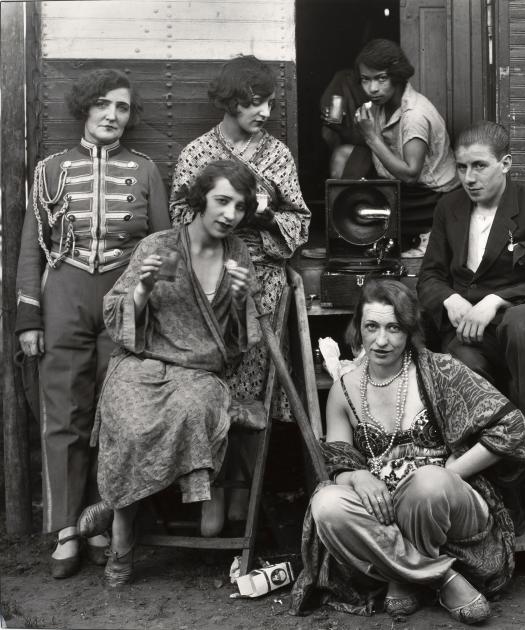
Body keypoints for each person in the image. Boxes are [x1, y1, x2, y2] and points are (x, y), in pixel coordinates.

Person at [290, 279, 525, 623]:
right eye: (371, 327)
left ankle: (399, 573)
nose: (381, 340)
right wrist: (358, 475)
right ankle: (439, 577)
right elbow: (338, 461)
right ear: (357, 328)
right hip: (385, 514)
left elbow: (514, 428)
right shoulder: (344, 389)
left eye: (394, 328)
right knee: (326, 505)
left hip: (447, 504)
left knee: (427, 484)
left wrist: (452, 472)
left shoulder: (440, 370)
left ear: (409, 331)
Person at [15, 68, 171, 578]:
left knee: (116, 414)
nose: (112, 115)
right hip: (64, 294)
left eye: (122, 107)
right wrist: (28, 319)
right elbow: (29, 250)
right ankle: (65, 528)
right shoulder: (49, 169)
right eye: (103, 104)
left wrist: (153, 307)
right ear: (85, 108)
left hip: (124, 297)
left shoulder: (146, 170)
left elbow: (163, 247)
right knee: (64, 411)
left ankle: (102, 520)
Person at [80, 160, 262, 587]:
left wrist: (239, 301)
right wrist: (142, 288)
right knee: (126, 415)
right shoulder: (159, 246)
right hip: (143, 363)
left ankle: (115, 508)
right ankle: (122, 534)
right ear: (201, 200)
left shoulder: (237, 254)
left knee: (190, 407)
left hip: (200, 371)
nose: (229, 215)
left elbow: (238, 343)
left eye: (239, 206)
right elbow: (118, 319)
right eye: (221, 201)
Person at [169, 55, 310, 530]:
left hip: (262, 286)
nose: (264, 112)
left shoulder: (276, 155)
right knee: (210, 386)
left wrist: (267, 215)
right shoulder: (196, 154)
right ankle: (209, 495)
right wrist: (218, 225)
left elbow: (301, 221)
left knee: (253, 389)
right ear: (230, 102)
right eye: (253, 103)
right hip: (207, 283)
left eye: (268, 102)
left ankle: (244, 500)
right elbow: (177, 217)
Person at [416, 121, 525, 530]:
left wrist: (494, 301)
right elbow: (428, 276)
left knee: (524, 326)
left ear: (506, 164)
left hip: (515, 330)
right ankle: (490, 477)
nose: (468, 178)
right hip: (468, 334)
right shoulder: (450, 208)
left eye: (479, 167)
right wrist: (450, 299)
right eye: (461, 168)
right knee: (463, 361)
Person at [339, 38, 460, 256]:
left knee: (364, 213)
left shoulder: (414, 115)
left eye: (381, 78)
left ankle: (425, 234)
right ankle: (345, 222)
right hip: (404, 187)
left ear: (396, 76)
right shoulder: (379, 105)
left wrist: (371, 137)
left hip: (432, 196)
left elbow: (412, 175)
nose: (372, 88)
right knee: (352, 195)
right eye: (366, 80)